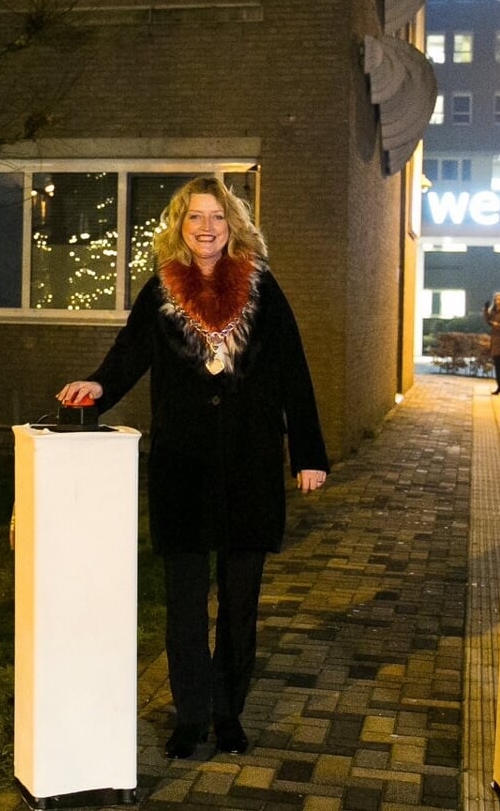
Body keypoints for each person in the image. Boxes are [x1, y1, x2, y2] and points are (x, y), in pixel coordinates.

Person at [57, 176, 329, 761]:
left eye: (217, 217)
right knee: (183, 604)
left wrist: (307, 454)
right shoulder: (159, 290)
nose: (206, 227)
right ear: (180, 227)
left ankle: (229, 714)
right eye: (195, 218)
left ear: (234, 226)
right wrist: (96, 387)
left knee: (239, 604)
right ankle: (189, 717)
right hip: (182, 467)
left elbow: (293, 371)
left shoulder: (262, 288)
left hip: (250, 468)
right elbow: (129, 353)